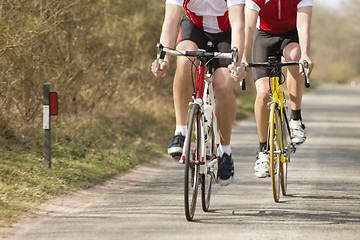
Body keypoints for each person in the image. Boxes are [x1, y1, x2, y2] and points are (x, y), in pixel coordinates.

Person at [151, 0, 247, 186]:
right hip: (194, 29)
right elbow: (170, 21)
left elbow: (238, 24)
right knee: (185, 60)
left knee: (224, 87)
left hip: (226, 35)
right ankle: (181, 131)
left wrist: (237, 61)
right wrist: (163, 59)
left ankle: (224, 152)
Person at [242, 0, 314, 178]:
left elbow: (303, 26)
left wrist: (306, 54)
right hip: (264, 37)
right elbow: (248, 28)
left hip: (291, 37)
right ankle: (263, 152)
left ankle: (296, 119)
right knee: (263, 93)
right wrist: (242, 57)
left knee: (296, 56)